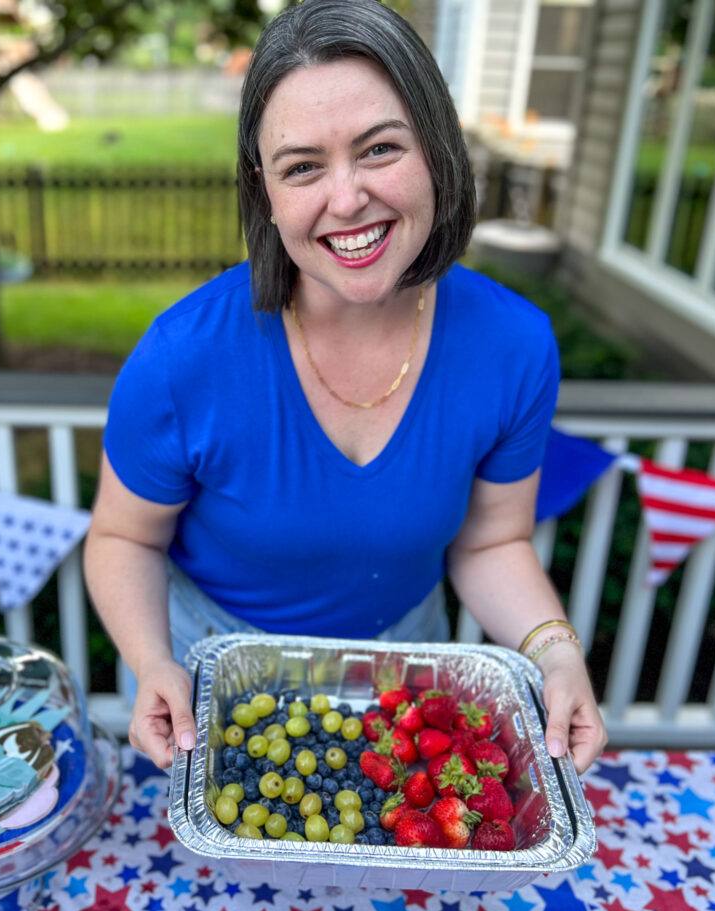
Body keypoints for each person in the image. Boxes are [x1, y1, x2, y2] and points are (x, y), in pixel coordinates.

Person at [85, 0, 607, 777]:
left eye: (379, 149)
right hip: (211, 685)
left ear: (436, 148)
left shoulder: (514, 345)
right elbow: (125, 537)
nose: (346, 198)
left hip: (405, 679)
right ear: (263, 190)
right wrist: (152, 660)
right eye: (302, 166)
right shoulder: (181, 357)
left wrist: (556, 657)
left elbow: (491, 539)